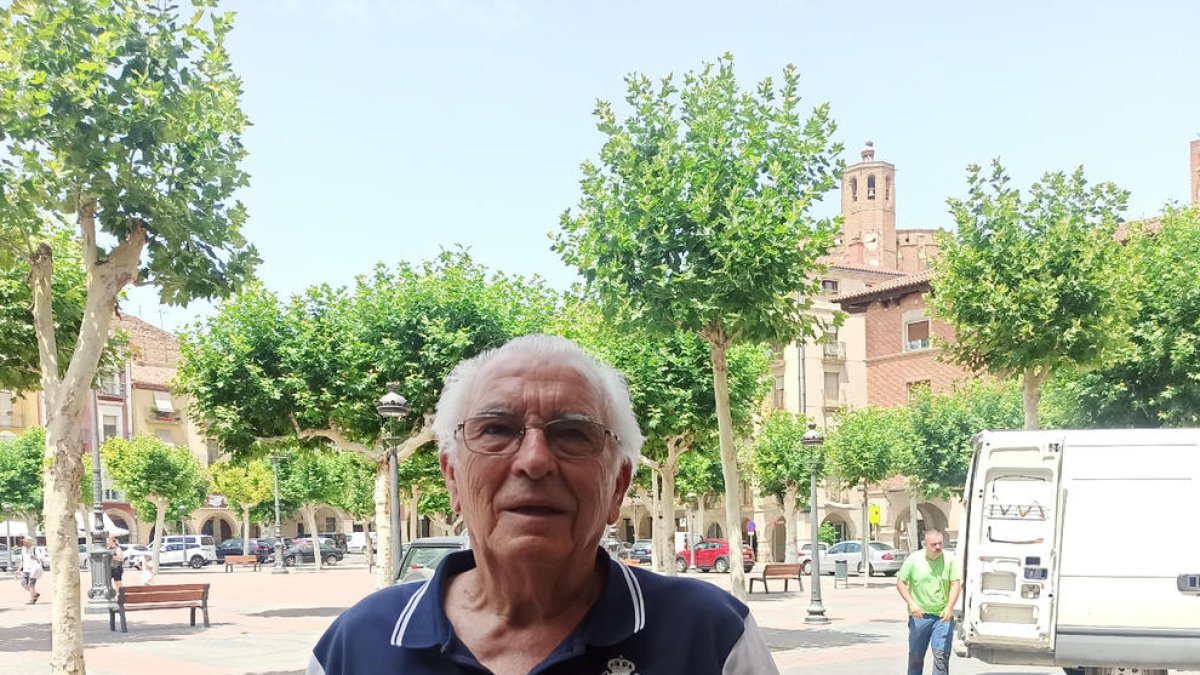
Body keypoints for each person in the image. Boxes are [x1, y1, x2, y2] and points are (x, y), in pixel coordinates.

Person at [308, 334, 778, 675]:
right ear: (452, 478)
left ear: (618, 486)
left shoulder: (710, 636)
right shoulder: (357, 646)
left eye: (572, 433)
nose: (534, 461)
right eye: (496, 429)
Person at [896, 529, 961, 675]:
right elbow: (900, 583)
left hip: (942, 617)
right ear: (925, 544)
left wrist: (950, 607)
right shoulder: (913, 560)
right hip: (920, 617)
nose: (937, 547)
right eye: (933, 544)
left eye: (940, 544)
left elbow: (955, 584)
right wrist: (912, 604)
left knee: (941, 658)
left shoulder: (950, 560)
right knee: (916, 657)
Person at [17, 537, 43, 604]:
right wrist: (19, 570)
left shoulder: (35, 549)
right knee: (23, 583)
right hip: (25, 570)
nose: (24, 544)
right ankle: (35, 594)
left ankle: (32, 600)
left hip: (33, 570)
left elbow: (40, 559)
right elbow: (22, 560)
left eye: (26, 542)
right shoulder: (23, 549)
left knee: (31, 584)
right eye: (23, 543)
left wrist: (35, 558)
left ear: (30, 542)